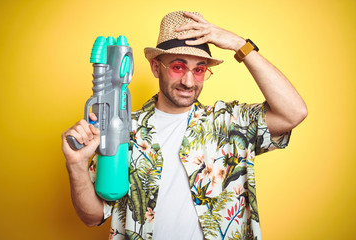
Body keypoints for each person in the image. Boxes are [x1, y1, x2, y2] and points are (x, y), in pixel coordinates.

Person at [62, 11, 307, 240]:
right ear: (156, 67)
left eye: (199, 70)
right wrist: (76, 165)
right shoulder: (123, 128)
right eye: (178, 67)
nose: (189, 81)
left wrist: (239, 44)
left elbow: (293, 113)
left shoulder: (229, 122)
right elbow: (92, 217)